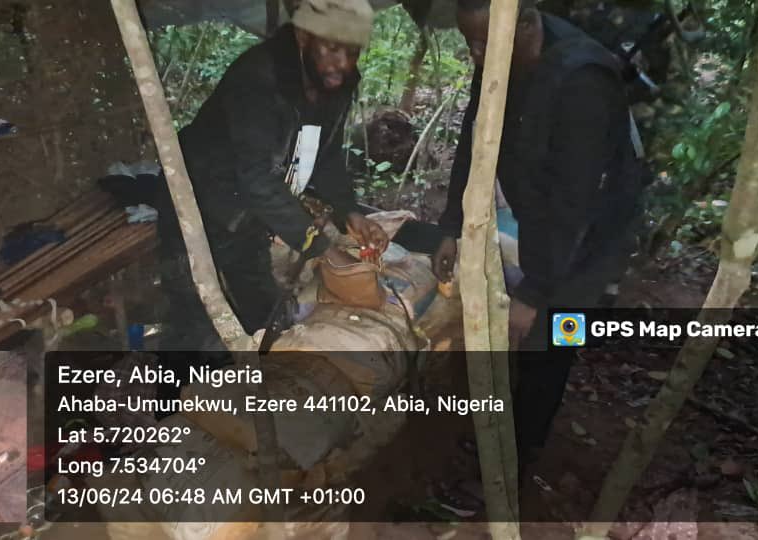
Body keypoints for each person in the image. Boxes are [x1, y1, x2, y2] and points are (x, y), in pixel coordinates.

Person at [433, 0, 647, 471]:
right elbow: (474, 139)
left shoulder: (582, 81)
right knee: (528, 328)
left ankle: (523, 451)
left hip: (594, 224)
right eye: (469, 42)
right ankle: (510, 417)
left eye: (484, 43)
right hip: (545, 206)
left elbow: (576, 202)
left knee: (556, 334)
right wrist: (451, 224)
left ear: (525, 25)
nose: (475, 54)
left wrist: (536, 288)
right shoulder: (495, 52)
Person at [137, 0, 388, 353]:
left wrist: (350, 212)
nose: (342, 65)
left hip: (248, 211)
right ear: (304, 35)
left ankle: (263, 391)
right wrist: (322, 249)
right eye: (332, 49)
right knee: (196, 327)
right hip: (196, 201)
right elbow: (257, 178)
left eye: (352, 52)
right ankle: (180, 403)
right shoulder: (258, 79)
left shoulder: (336, 83)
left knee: (264, 316)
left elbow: (324, 153)